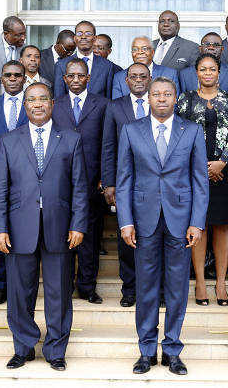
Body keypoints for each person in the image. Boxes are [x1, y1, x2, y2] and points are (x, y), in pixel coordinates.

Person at [0, 82, 88, 371]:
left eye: (43, 99)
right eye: (31, 100)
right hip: (19, 228)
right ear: (25, 106)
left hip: (60, 227)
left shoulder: (71, 139)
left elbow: (79, 187)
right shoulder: (9, 140)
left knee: (59, 293)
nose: (37, 104)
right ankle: (23, 347)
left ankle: (56, 350)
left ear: (52, 104)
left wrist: (78, 224)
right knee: (20, 293)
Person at [116, 77, 208, 375]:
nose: (162, 99)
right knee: (146, 286)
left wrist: (197, 222)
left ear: (175, 98)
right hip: (143, 220)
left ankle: (172, 350)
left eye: (167, 94)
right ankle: (146, 351)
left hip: (180, 221)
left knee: (177, 287)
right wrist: (125, 221)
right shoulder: (131, 130)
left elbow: (200, 180)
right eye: (156, 94)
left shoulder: (191, 130)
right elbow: (124, 180)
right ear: (148, 98)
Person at [176, 54, 228, 307]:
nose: (207, 73)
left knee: (222, 226)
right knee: (199, 224)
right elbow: (180, 133)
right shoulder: (185, 99)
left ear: (218, 72)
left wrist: (222, 162)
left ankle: (221, 283)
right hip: (194, 171)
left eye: (212, 69)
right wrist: (202, 167)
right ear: (196, 72)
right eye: (203, 69)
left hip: (224, 171)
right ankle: (201, 281)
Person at [52, 58, 109, 304]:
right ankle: (65, 286)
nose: (76, 80)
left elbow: (107, 143)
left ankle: (87, 287)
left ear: (88, 78)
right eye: (71, 76)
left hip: (92, 181)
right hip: (61, 182)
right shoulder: (55, 105)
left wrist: (105, 177)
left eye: (80, 75)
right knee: (62, 237)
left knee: (90, 238)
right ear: (65, 79)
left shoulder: (103, 104)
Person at [102, 62, 152, 307]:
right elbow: (108, 145)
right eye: (134, 76)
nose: (138, 80)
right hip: (125, 183)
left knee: (153, 237)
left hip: (154, 183)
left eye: (143, 76)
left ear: (150, 79)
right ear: (126, 80)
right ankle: (130, 289)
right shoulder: (115, 106)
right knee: (126, 238)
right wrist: (109, 183)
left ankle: (154, 289)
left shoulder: (159, 102)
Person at [0, 60, 29, 305]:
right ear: (1, 78)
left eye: (17, 75)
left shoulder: (33, 104)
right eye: (8, 75)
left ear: (24, 78)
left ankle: (20, 283)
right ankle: (1, 285)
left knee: (23, 228)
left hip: (26, 174)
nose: (12, 79)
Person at [54, 21, 115, 99]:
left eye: (88, 34)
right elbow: (59, 99)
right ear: (75, 38)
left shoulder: (107, 66)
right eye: (79, 34)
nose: (83, 37)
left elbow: (108, 99)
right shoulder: (61, 65)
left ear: (94, 38)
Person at [112, 36, 179, 99]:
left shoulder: (170, 74)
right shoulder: (119, 77)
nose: (140, 52)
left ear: (152, 52)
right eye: (135, 49)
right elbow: (117, 105)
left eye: (144, 49)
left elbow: (174, 103)